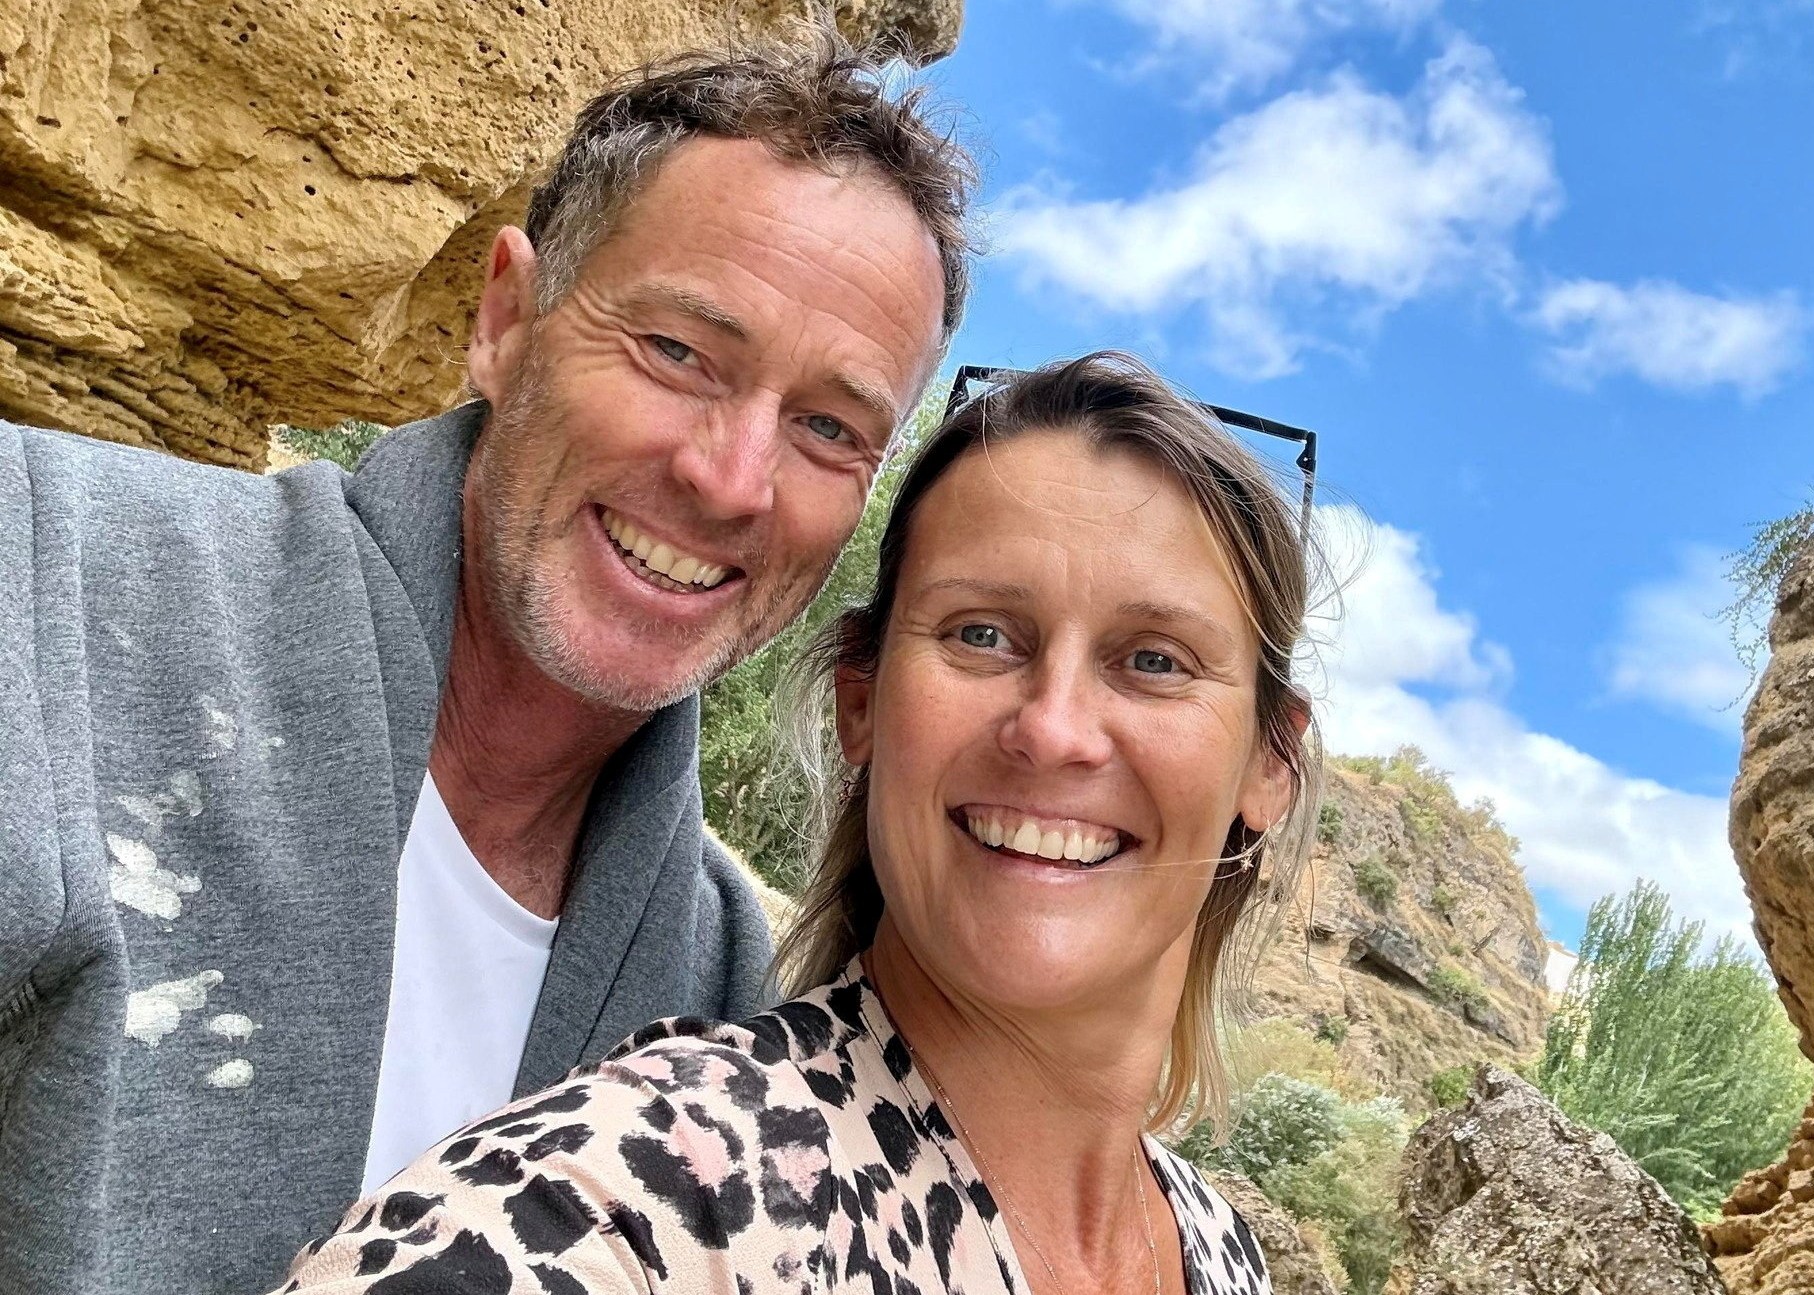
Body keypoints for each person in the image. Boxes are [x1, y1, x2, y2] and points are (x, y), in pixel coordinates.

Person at [0, 32, 972, 1295]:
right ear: (506, 320)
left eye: (829, 427)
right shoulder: (48, 578)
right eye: (677, 351)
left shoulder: (724, 981)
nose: (732, 480)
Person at [270, 353, 1319, 1295]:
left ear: (1268, 762)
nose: (1051, 728)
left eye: (1154, 660)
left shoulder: (1217, 1246)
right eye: (982, 634)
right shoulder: (642, 1201)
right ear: (861, 697)